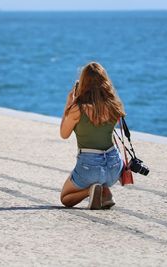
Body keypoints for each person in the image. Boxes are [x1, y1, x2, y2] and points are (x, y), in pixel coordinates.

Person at [60, 62, 126, 210]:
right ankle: (104, 189)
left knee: (65, 198)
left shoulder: (77, 108)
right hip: (114, 167)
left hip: (89, 166)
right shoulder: (113, 105)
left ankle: (91, 190)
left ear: (82, 83)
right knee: (103, 175)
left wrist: (69, 103)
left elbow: (64, 134)